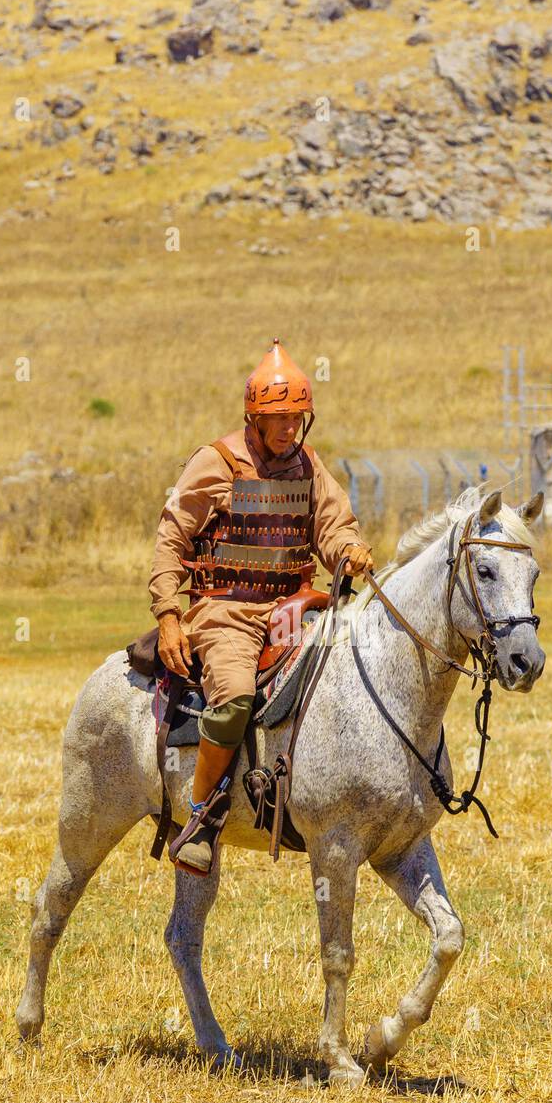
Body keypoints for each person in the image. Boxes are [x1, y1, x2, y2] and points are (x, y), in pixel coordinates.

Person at [149, 338, 374, 872]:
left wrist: (350, 550)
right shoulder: (216, 462)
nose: (289, 430)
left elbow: (333, 527)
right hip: (226, 611)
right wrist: (167, 613)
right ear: (253, 416)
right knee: (234, 698)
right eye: (278, 419)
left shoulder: (308, 466)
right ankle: (202, 815)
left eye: (297, 418)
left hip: (295, 607)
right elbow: (170, 538)